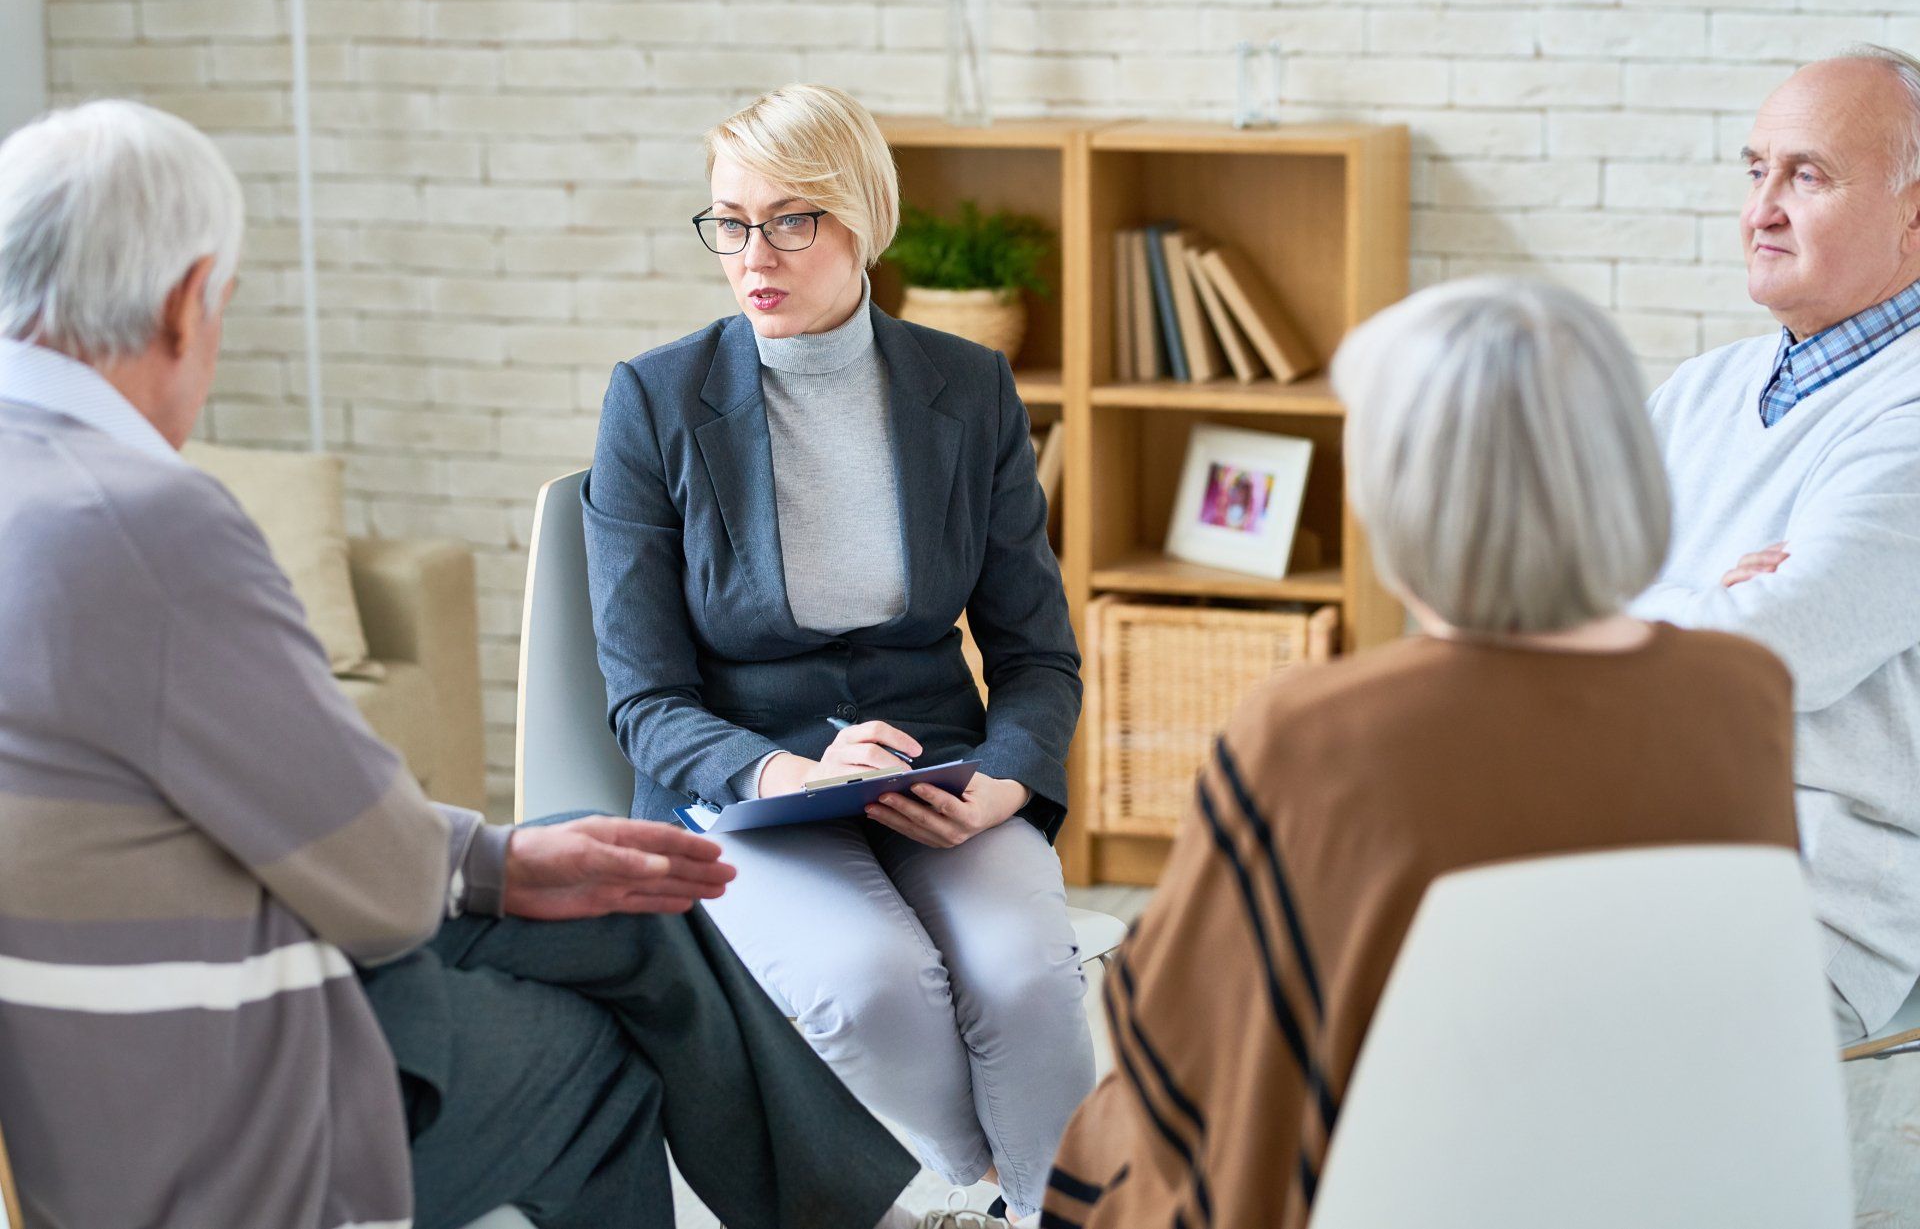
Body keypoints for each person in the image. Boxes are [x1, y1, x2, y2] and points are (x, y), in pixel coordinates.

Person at [0, 100, 941, 1229]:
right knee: (607, 1056)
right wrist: (482, 865)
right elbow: (375, 878)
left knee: (628, 902)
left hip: (82, 1048)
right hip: (210, 1108)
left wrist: (498, 860)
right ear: (185, 304)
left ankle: (860, 1216)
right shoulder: (149, 525)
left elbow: (313, 832)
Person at [1040, 278, 1803, 1229]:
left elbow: (1185, 1024)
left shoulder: (1316, 729)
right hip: (1664, 1177)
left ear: (1404, 493)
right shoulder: (1744, 691)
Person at [584, 83, 1093, 1226]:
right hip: (748, 784)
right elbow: (645, 695)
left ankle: (1053, 1208)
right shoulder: (655, 403)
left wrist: (1004, 780)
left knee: (1024, 982)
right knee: (872, 986)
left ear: (862, 220)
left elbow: (1038, 656)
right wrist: (784, 773)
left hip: (939, 774)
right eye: (729, 220)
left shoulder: (967, 390)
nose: (751, 254)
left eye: (789, 220)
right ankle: (973, 1194)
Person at [1628, 44, 1920, 1040]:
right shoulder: (1702, 389)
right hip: (1635, 835)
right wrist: (1716, 590)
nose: (1763, 211)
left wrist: (1661, 605)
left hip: (1808, 894)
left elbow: (1771, 646)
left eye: (1809, 176)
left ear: (1917, 212)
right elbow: (1555, 600)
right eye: (1757, 171)